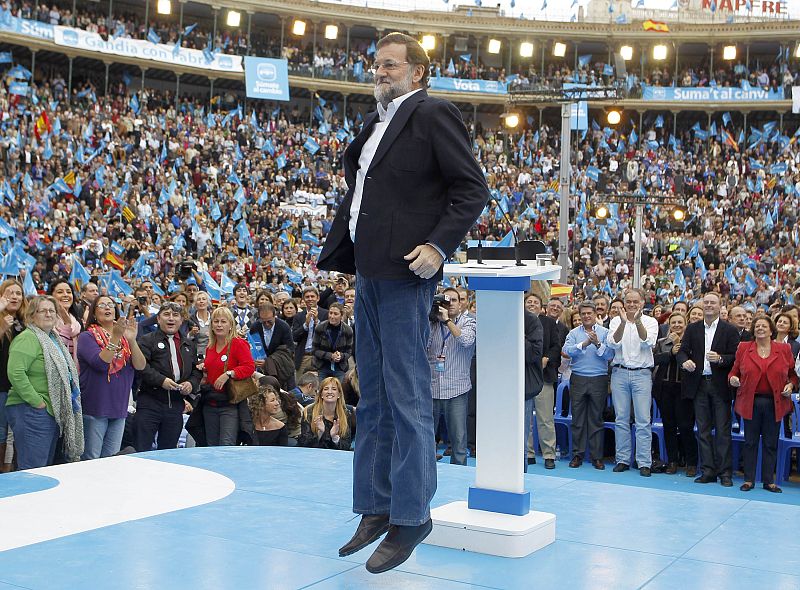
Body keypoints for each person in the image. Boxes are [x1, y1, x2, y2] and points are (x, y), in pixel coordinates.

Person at [317, 32, 488, 573]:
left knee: (407, 395)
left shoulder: (433, 114)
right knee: (371, 397)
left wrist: (438, 245)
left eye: (391, 65)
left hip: (406, 276)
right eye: (377, 64)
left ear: (418, 72)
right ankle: (376, 505)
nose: (380, 72)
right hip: (369, 273)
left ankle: (412, 516)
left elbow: (472, 189)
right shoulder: (374, 122)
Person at [6, 295, 84, 469]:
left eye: (52, 310)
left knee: (45, 468)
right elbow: (15, 373)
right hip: (31, 410)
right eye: (43, 311)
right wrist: (37, 402)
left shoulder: (53, 339)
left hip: (50, 411)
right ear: (32, 315)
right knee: (33, 469)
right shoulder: (28, 338)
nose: (48, 314)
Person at [677, 292, 741, 487]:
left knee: (723, 431)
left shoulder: (729, 330)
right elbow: (682, 351)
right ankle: (708, 471)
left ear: (720, 306)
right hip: (699, 384)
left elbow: (736, 357)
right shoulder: (692, 328)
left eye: (713, 302)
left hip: (720, 384)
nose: (709, 305)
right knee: (703, 430)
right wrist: (684, 361)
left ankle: (725, 473)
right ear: (701, 305)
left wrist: (720, 359)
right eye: (706, 302)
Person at [729, 316, 797, 493]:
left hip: (775, 402)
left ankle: (769, 481)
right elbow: (733, 372)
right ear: (753, 330)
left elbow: (793, 375)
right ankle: (749, 480)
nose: (760, 328)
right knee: (750, 442)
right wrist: (733, 379)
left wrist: (790, 385)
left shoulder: (784, 349)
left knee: (770, 443)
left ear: (771, 330)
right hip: (750, 401)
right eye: (757, 326)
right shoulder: (744, 348)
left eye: (764, 326)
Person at [77, 297, 146, 459]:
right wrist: (115, 337)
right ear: (94, 313)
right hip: (96, 406)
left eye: (110, 305)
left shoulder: (124, 337)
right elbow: (101, 364)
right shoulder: (87, 337)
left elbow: (140, 365)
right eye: (102, 305)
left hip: (119, 406)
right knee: (91, 459)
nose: (107, 308)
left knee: (111, 459)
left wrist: (131, 340)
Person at [135, 302, 202, 452]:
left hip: (176, 405)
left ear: (181, 320)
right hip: (150, 402)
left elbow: (196, 370)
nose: (171, 318)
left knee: (169, 451)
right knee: (142, 449)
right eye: (166, 314)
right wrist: (161, 381)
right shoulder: (146, 340)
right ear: (158, 319)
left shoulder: (189, 344)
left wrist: (191, 383)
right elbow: (141, 367)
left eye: (175, 315)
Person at [606, 288, 659, 476]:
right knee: (621, 419)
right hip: (620, 373)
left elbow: (647, 342)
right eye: (628, 301)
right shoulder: (615, 321)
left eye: (636, 301)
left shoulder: (651, 322)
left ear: (642, 303)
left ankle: (644, 462)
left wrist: (636, 321)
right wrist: (623, 323)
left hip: (642, 374)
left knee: (643, 420)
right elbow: (613, 343)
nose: (632, 305)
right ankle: (622, 459)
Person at [427, 287, 476, 466]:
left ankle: (460, 475)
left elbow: (466, 341)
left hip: (456, 390)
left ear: (462, 304)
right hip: (431, 388)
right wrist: (431, 320)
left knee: (458, 440)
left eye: (454, 300)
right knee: (426, 437)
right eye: (446, 301)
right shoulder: (432, 323)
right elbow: (421, 346)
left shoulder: (469, 322)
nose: (451, 304)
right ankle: (426, 472)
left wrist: (447, 320)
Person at [563, 302, 615, 470]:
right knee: (577, 419)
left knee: (596, 419)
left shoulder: (605, 333)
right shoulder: (573, 333)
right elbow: (566, 351)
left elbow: (610, 355)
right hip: (578, 377)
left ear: (595, 315)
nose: (586, 316)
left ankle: (596, 457)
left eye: (589, 313)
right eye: (583, 313)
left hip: (599, 379)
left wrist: (598, 343)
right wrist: (583, 344)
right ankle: (577, 455)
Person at [201, 307, 256, 446]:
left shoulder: (238, 343)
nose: (219, 325)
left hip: (229, 404)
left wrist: (229, 374)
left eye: (223, 321)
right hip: (210, 403)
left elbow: (249, 367)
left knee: (226, 445)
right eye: (216, 321)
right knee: (211, 445)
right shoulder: (210, 346)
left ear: (231, 325)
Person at [652, 312, 698, 475]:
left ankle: (691, 462)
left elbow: (693, 363)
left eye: (680, 322)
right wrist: (671, 352)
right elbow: (654, 360)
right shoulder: (662, 342)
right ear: (669, 325)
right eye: (674, 323)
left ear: (686, 324)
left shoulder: (693, 342)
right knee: (669, 426)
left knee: (685, 426)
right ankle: (672, 461)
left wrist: (680, 346)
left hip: (683, 390)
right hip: (664, 388)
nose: (677, 325)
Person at [525, 292, 560, 469]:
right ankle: (528, 452)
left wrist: (547, 358)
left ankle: (549, 454)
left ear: (542, 307)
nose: (532, 304)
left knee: (545, 418)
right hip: (524, 377)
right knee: (525, 419)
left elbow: (556, 346)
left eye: (535, 302)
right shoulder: (519, 320)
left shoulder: (549, 323)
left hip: (544, 376)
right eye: (529, 302)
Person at [0, 279, 25, 472]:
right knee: (1, 432)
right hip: (1, 387)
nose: (15, 297)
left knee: (17, 433)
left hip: (20, 388)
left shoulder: (25, 323)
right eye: (10, 293)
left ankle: (13, 471)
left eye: (18, 293)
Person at [298, 377, 355, 451]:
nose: (329, 392)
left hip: (336, 455)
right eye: (326, 389)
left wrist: (335, 437)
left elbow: (346, 446)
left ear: (339, 394)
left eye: (334, 389)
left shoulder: (345, 414)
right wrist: (320, 433)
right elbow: (304, 444)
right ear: (321, 394)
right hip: (313, 454)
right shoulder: (309, 412)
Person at [249, 302, 296, 390]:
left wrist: (268, 362)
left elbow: (289, 350)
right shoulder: (255, 327)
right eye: (263, 322)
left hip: (282, 370)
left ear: (275, 316)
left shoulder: (284, 327)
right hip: (261, 371)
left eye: (269, 321)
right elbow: (252, 346)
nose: (267, 324)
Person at [522, 308, 544, 473]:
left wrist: (518, 336)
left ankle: (520, 475)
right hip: (497, 386)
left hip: (523, 387)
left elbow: (533, 354)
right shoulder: (495, 317)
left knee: (520, 436)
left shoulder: (531, 320)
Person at [292, 287, 328, 378]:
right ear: (303, 299)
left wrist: (317, 322)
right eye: (307, 297)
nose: (310, 299)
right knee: (301, 384)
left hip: (321, 357)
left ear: (318, 298)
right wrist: (306, 324)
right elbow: (294, 337)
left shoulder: (326, 314)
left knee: (321, 384)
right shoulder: (298, 316)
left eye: (312, 296)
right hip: (304, 357)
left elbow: (328, 336)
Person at [312, 302, 354, 382]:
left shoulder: (348, 330)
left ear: (341, 315)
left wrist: (341, 356)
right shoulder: (320, 327)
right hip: (322, 367)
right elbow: (314, 350)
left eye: (335, 314)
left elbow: (349, 352)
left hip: (340, 367)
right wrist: (330, 356)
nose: (332, 316)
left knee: (339, 389)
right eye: (330, 313)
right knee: (321, 388)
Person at [49, 280, 83, 364]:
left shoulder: (78, 322)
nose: (65, 295)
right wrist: (67, 325)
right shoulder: (46, 321)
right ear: (51, 296)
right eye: (60, 292)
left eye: (69, 292)